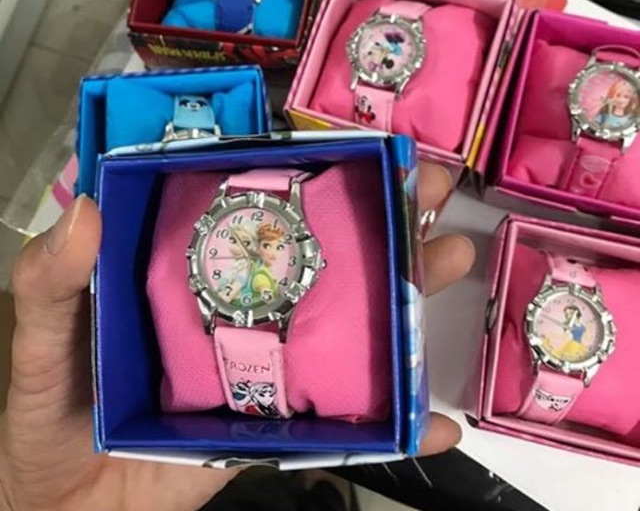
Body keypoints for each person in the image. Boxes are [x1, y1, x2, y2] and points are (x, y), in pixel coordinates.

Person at [0, 162, 474, 511]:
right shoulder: (212, 253)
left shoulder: (290, 263)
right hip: (220, 309)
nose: (255, 253)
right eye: (250, 246)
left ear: (311, 260)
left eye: (263, 247)